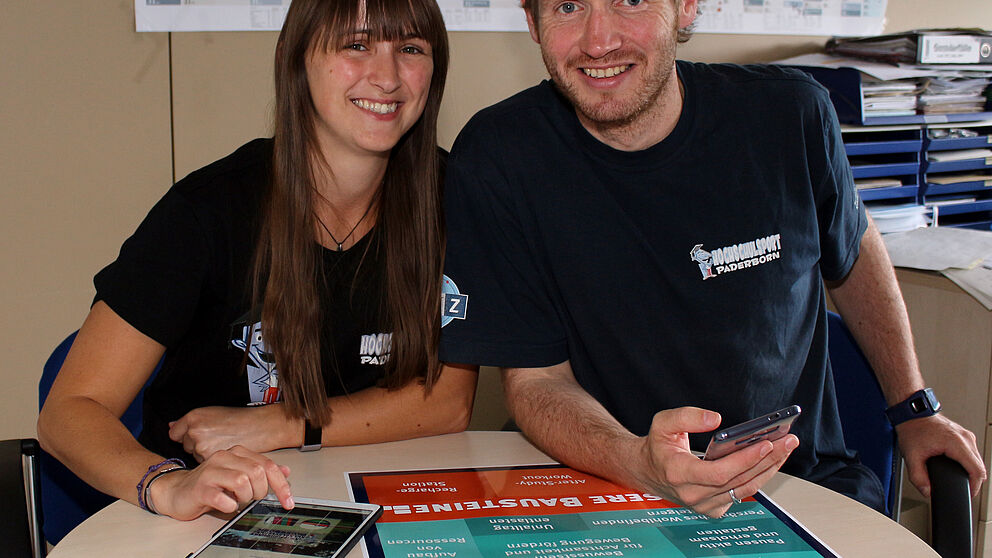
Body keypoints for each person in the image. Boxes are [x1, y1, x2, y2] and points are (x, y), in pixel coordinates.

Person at [439, 0, 985, 518]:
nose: (598, 41)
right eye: (567, 7)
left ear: (687, 6)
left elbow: (854, 250)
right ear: (532, 23)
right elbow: (536, 381)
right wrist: (640, 464)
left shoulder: (791, 115)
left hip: (795, 487)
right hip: (601, 491)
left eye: (629, 1)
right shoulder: (500, 156)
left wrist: (914, 407)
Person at [37, 0, 477, 521]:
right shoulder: (207, 210)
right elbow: (68, 412)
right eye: (356, 45)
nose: (386, 77)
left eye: (410, 49)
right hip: (207, 514)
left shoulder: (458, 201)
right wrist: (169, 485)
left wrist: (286, 423)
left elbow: (447, 403)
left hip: (370, 502)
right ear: (297, 60)